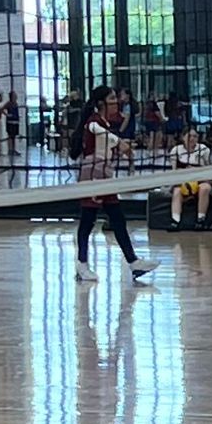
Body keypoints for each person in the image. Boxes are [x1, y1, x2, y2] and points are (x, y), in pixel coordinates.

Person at [73, 88, 151, 281]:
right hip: (93, 174)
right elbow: (94, 129)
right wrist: (119, 143)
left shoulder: (106, 123)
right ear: (101, 103)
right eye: (112, 98)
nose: (117, 102)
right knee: (88, 220)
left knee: (117, 218)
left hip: (105, 175)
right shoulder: (94, 121)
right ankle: (82, 265)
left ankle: (133, 262)